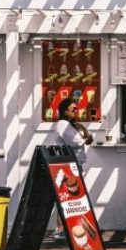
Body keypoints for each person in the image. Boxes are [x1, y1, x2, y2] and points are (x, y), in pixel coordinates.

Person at [47, 98, 94, 240]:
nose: (76, 111)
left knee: (72, 198)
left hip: (74, 164)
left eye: (76, 108)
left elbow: (85, 138)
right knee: (66, 197)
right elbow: (76, 141)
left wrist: (85, 134)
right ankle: (61, 229)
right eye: (73, 109)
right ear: (64, 110)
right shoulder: (63, 124)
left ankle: (67, 228)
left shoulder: (72, 125)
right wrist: (85, 136)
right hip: (68, 165)